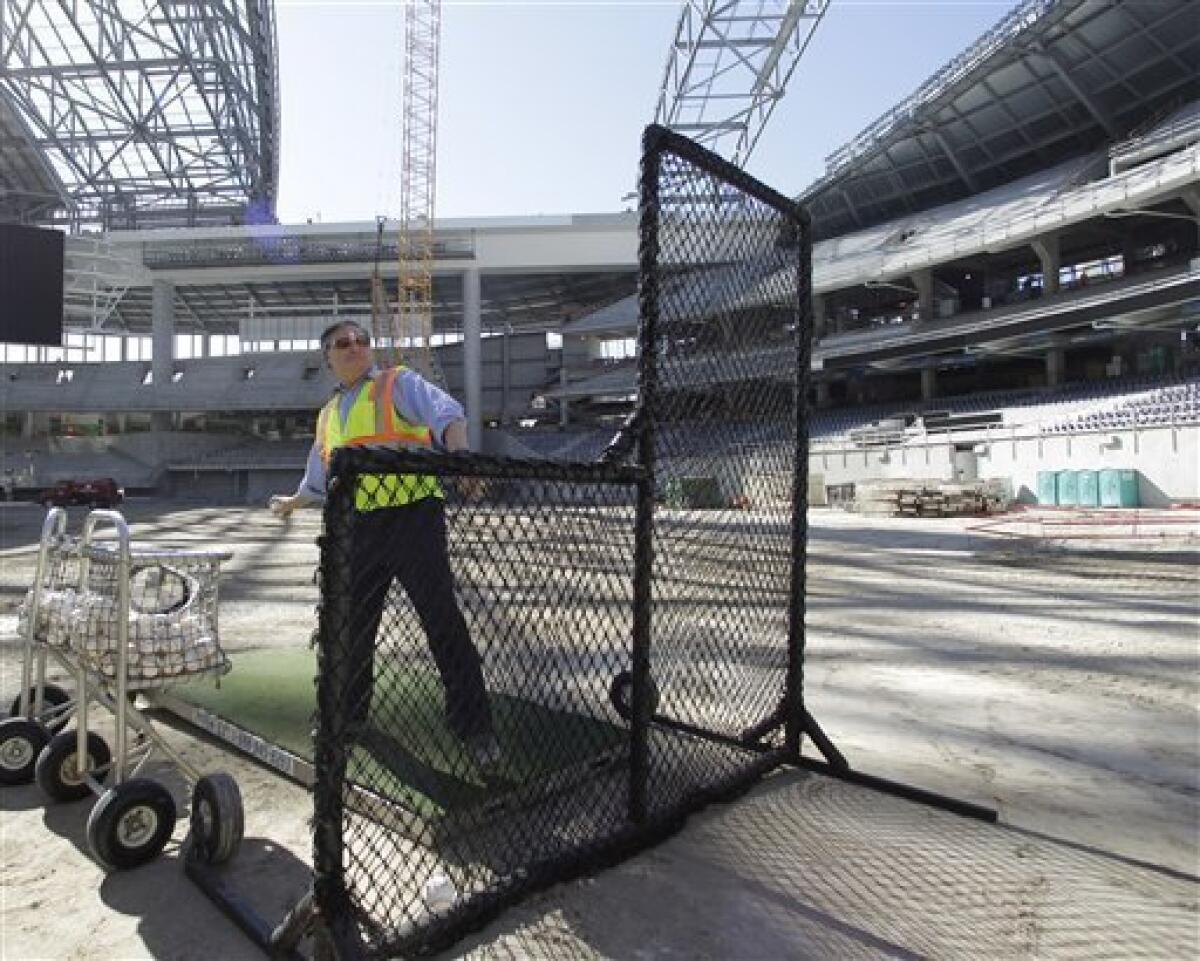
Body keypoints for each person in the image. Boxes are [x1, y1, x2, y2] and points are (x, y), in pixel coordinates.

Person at [269, 320, 500, 772]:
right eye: (343, 343)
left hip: (414, 518)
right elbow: (318, 478)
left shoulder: (398, 383)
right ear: (328, 358)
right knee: (352, 628)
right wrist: (292, 503)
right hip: (358, 528)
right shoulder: (327, 415)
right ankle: (349, 718)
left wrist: (462, 460)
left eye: (361, 341)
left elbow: (449, 415)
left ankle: (475, 727)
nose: (355, 347)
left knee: (442, 622)